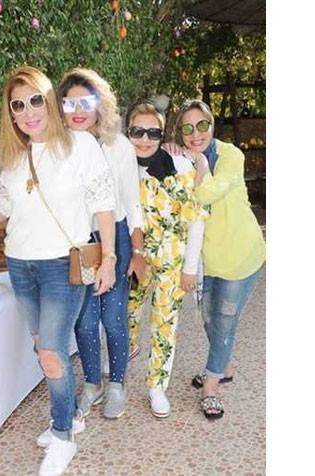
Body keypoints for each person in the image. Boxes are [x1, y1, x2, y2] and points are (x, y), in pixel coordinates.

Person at [0, 66, 117, 476]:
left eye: (35, 100)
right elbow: (1, 209)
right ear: (11, 113)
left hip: (62, 266)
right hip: (20, 266)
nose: (28, 112)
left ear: (50, 101)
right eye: (17, 105)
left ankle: (63, 435)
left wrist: (109, 258)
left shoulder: (80, 145)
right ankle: (71, 415)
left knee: (51, 353)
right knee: (44, 345)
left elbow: (103, 206)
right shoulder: (14, 157)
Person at [57, 68, 145, 420]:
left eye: (87, 102)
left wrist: (136, 251)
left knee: (113, 316)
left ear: (100, 105)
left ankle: (117, 384)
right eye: (70, 103)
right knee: (84, 320)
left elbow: (132, 202)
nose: (79, 111)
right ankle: (92, 384)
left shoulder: (117, 146)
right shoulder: (58, 148)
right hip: (78, 242)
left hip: (116, 237)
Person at [172, 99, 266, 420]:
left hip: (240, 255)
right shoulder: (182, 159)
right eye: (187, 128)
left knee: (225, 320)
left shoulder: (230, 155)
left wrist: (200, 162)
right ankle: (223, 366)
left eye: (202, 125)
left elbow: (207, 193)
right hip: (207, 260)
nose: (195, 133)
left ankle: (211, 387)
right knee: (208, 319)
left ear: (212, 125)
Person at [125, 99, 208, 418]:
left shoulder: (182, 166)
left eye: (153, 133)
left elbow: (196, 219)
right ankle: (127, 352)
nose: (145, 139)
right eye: (137, 132)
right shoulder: (121, 167)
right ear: (128, 132)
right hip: (135, 257)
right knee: (126, 313)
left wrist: (190, 269)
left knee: (164, 324)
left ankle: (157, 387)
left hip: (172, 261)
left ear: (162, 136)